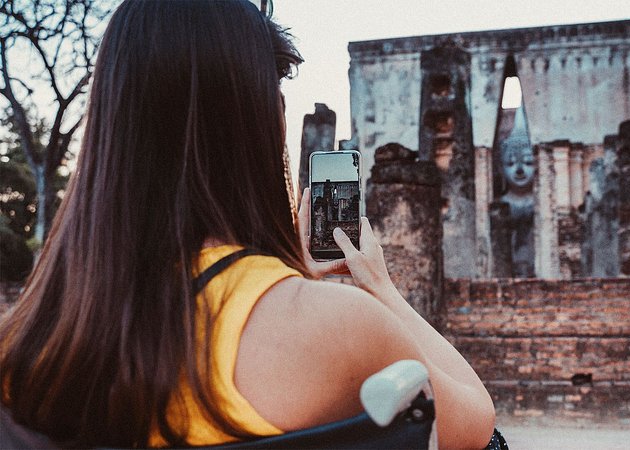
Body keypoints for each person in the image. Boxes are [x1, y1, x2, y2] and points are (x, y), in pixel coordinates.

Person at [0, 0, 496, 448]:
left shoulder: (27, 340)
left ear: (110, 121)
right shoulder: (336, 329)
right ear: (267, 119)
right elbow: (477, 423)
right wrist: (380, 287)